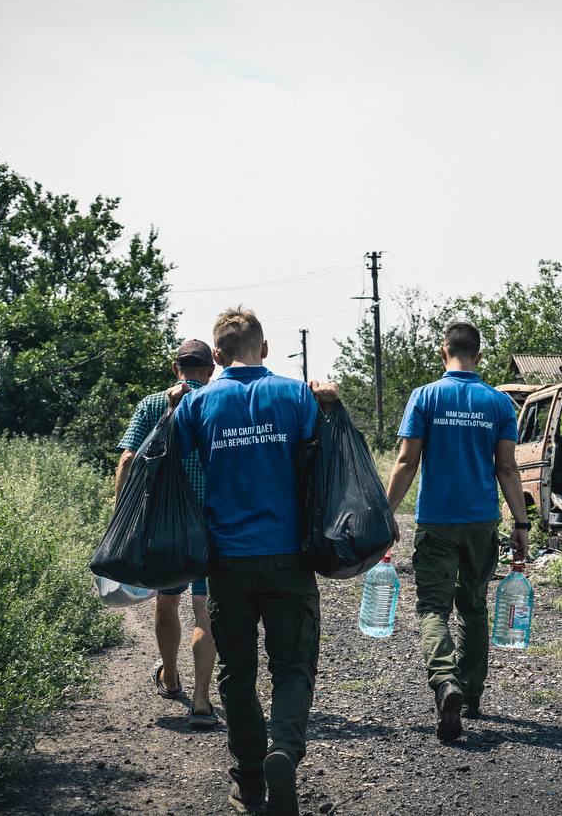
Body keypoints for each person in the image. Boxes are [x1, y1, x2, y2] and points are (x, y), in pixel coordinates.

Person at [174, 307, 337, 816]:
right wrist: (329, 400)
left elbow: (174, 467)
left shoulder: (198, 404)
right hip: (288, 557)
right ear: (264, 349)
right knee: (293, 667)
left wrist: (177, 403)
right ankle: (284, 751)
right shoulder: (294, 395)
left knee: (237, 674)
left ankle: (248, 783)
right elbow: (322, 452)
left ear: (217, 356)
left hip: (227, 564)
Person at [384, 320, 530, 742]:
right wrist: (521, 523)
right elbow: (506, 467)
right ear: (479, 355)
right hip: (482, 522)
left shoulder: (425, 397)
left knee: (433, 608)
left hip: (437, 521)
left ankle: (444, 679)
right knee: (473, 606)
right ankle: (471, 694)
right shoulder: (499, 403)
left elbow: (407, 461)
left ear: (442, 351)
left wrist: (386, 511)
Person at [116, 338, 219, 729]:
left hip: (164, 525)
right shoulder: (219, 402)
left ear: (175, 368)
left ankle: (172, 678)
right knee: (203, 611)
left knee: (166, 601)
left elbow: (128, 458)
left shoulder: (152, 404)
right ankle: (203, 701)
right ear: (210, 370)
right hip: (209, 523)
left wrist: (121, 517)